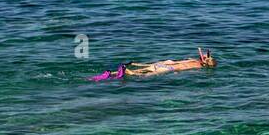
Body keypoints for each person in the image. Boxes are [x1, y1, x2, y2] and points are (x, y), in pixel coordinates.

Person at [87, 49, 216, 81]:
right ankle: (127, 71)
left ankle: (111, 73)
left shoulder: (191, 60)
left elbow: (185, 61)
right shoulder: (198, 66)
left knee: (144, 69)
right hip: (168, 68)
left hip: (161, 63)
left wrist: (203, 57)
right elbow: (183, 69)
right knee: (142, 76)